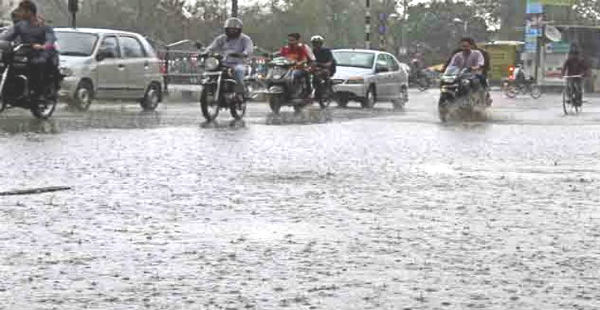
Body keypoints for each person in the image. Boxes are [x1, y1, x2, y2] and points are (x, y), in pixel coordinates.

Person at [0, 1, 58, 100]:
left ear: (29, 12)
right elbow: (7, 36)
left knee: (37, 64)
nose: (19, 13)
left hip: (42, 53)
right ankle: (12, 89)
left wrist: (43, 46)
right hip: (25, 51)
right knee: (6, 62)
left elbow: (50, 40)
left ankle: (38, 93)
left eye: (22, 11)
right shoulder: (20, 25)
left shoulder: (44, 26)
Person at [206, 17, 254, 95]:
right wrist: (206, 52)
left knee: (238, 71)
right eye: (230, 29)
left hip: (239, 63)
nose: (232, 31)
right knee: (211, 71)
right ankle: (210, 89)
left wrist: (243, 54)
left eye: (234, 29)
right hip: (224, 63)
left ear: (239, 30)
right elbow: (212, 47)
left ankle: (240, 92)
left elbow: (249, 49)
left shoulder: (245, 39)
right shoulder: (222, 38)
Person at [447, 37, 491, 104]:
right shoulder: (457, 55)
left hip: (474, 74)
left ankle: (484, 96)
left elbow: (480, 63)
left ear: (471, 46)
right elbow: (451, 65)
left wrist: (475, 67)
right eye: (463, 46)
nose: (464, 48)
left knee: (481, 79)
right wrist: (446, 70)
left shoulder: (477, 53)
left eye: (466, 46)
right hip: (460, 75)